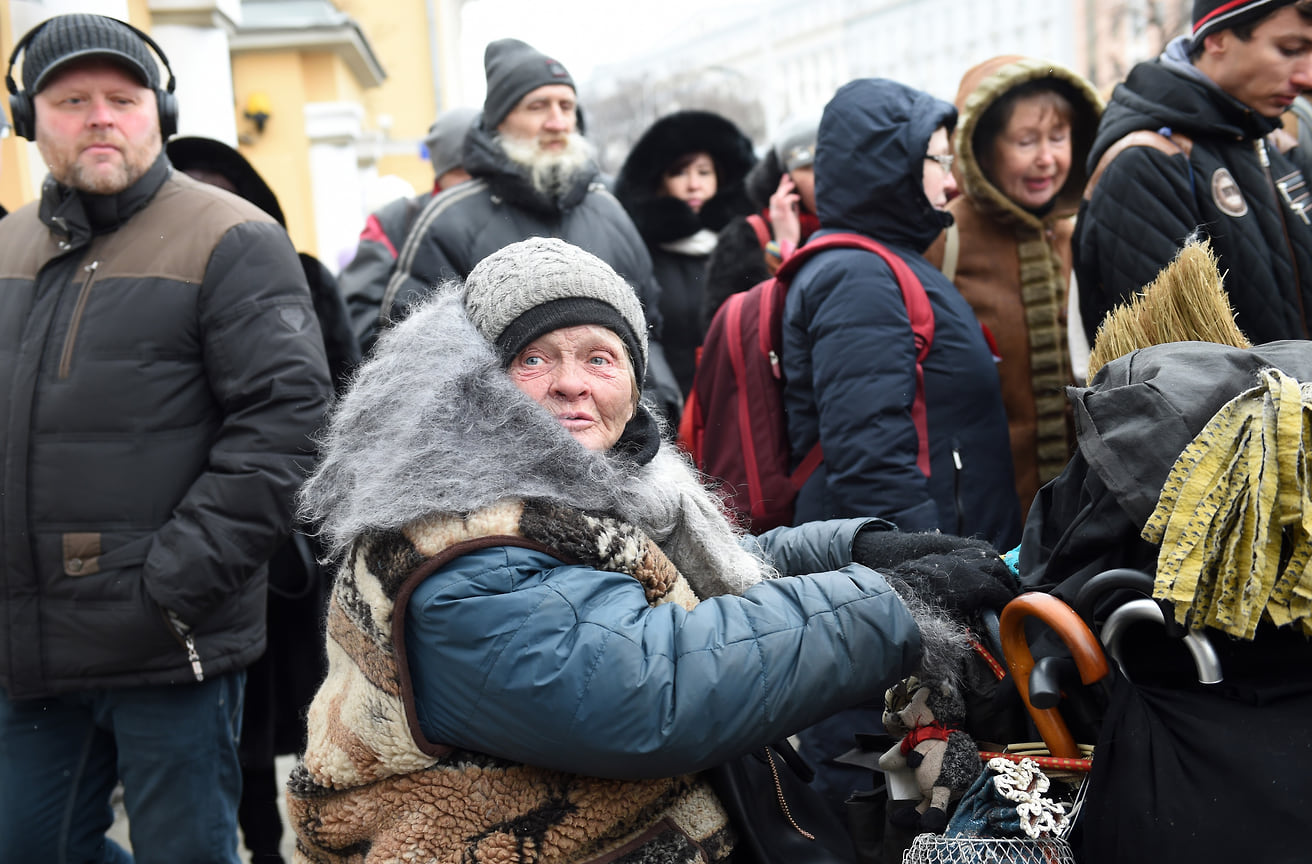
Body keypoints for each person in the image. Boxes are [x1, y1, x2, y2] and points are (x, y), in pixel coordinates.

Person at [286, 236, 1016, 861]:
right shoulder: (459, 541)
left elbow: (680, 581)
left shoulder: (566, 492)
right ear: (475, 384)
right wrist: (891, 606)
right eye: (534, 359)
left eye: (600, 358)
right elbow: (649, 683)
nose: (572, 384)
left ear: (636, 383)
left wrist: (861, 551)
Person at [0, 14, 333, 864]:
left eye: (123, 97)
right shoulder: (4, 246)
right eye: (71, 100)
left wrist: (173, 583)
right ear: (28, 119)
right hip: (28, 639)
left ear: (161, 111)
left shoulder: (233, 238)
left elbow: (288, 426)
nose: (100, 117)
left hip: (167, 639)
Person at [166, 134, 358, 864]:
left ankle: (329, 839)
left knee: (324, 711)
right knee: (233, 728)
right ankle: (263, 849)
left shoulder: (304, 276)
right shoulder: (152, 286)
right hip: (193, 535)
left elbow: (342, 396)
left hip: (297, 542)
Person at [379, 38, 682, 417]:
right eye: (538, 106)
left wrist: (656, 416)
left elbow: (649, 333)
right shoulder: (449, 220)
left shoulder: (610, 212)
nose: (557, 122)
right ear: (499, 121)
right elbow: (414, 360)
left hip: (618, 452)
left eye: (566, 106)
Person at [925, 57, 1103, 520]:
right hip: (982, 515)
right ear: (978, 149)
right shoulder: (945, 238)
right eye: (1026, 141)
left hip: (1084, 511)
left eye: (1058, 138)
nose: (1047, 158)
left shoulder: (1080, 234)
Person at [1074, 0, 1312, 344]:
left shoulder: (1277, 144)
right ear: (1216, 39)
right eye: (1289, 49)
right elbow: (1174, 372)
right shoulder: (1146, 163)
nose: (1306, 76)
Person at [614, 110, 756, 396]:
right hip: (672, 405)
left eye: (704, 172)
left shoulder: (747, 246)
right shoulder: (639, 250)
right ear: (660, 182)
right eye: (680, 172)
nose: (694, 184)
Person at [338, 105, 478, 353]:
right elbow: (360, 321)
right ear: (441, 173)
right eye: (462, 173)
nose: (473, 186)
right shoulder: (396, 221)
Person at [704, 114, 821, 325]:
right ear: (785, 178)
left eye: (827, 163)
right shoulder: (746, 236)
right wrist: (783, 248)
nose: (819, 177)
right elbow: (726, 329)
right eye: (806, 167)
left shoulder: (862, 225)